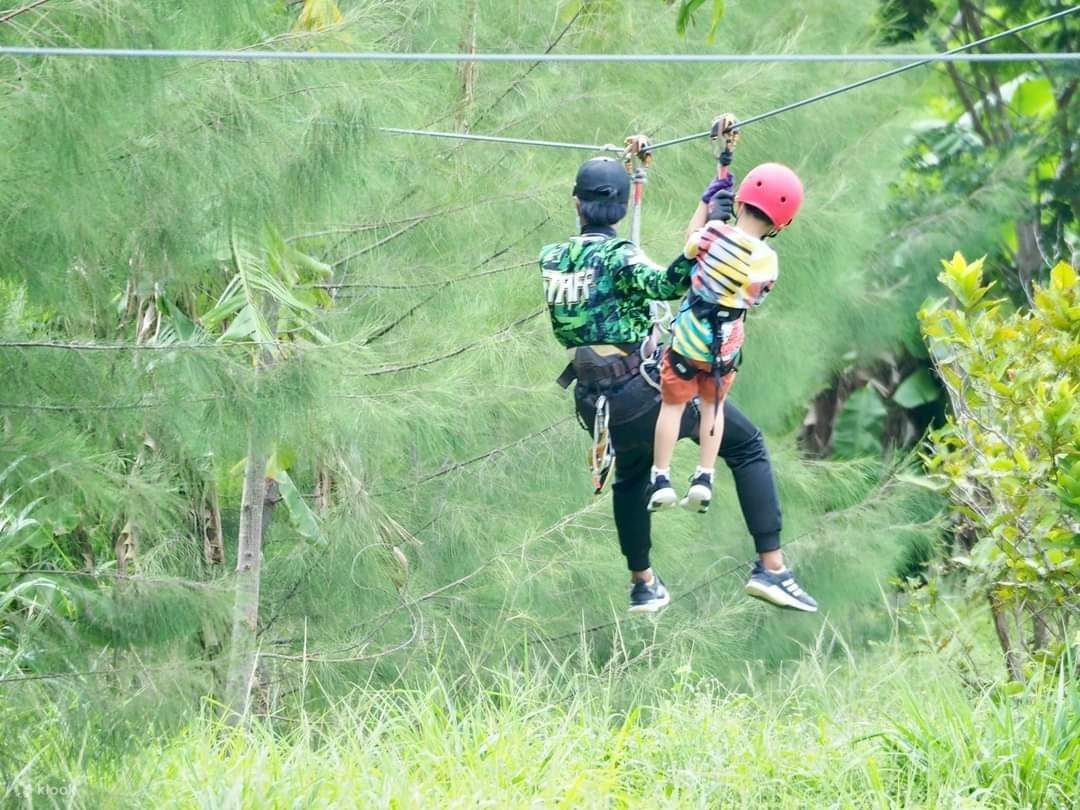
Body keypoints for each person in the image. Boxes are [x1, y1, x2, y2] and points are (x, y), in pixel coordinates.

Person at [539, 152, 818, 614]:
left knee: (630, 474)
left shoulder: (550, 258)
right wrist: (711, 236)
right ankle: (772, 567)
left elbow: (600, 282)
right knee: (746, 444)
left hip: (593, 403)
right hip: (636, 391)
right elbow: (672, 282)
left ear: (576, 203)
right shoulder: (620, 255)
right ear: (623, 208)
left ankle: (643, 582)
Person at [647, 163, 804, 517]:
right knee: (712, 408)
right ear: (782, 224)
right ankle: (704, 476)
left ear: (741, 200)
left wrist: (705, 207)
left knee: (672, 406)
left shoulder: (713, 233)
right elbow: (756, 299)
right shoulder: (769, 261)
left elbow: (689, 245)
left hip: (689, 340)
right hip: (725, 348)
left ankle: (661, 478)